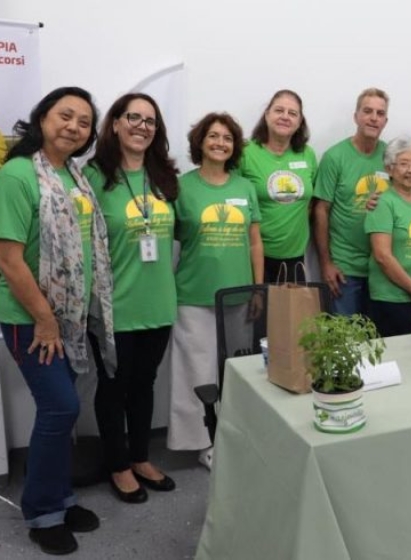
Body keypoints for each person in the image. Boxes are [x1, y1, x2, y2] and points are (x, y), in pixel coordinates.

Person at [0, 86, 112, 555]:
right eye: (65, 115)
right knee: (60, 408)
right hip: (31, 317)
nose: (74, 126)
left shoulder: (74, 175)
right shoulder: (18, 174)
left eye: (84, 122)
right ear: (43, 117)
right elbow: (8, 259)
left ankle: (61, 500)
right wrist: (44, 319)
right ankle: (42, 511)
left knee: (63, 411)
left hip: (68, 315)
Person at [85, 93, 179, 504]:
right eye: (134, 118)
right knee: (113, 387)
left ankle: (140, 457)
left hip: (157, 301)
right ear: (116, 124)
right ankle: (118, 465)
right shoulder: (92, 175)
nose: (142, 126)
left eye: (150, 121)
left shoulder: (163, 175)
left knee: (145, 384)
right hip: (111, 306)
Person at [167, 113, 263, 468]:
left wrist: (258, 289)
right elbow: (170, 237)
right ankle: (202, 442)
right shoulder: (180, 187)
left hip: (239, 296)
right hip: (193, 295)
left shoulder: (244, 188)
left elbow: (255, 243)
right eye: (213, 136)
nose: (220, 143)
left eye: (227, 138)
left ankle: (236, 434)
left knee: (237, 371)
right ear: (200, 142)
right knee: (197, 372)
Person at [313, 88, 389, 316]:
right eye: (367, 111)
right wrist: (326, 263)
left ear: (386, 120)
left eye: (380, 113)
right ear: (356, 116)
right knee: (347, 343)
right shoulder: (335, 157)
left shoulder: (390, 156)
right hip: (345, 269)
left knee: (380, 343)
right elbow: (321, 210)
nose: (374, 118)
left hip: (381, 268)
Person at [241, 90, 317, 283]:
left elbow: (310, 204)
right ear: (267, 115)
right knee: (257, 313)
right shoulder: (246, 153)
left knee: (293, 314)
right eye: (279, 110)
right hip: (253, 256)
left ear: (300, 122)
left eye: (292, 113)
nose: (285, 117)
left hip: (295, 258)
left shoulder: (307, 154)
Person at [365, 138, 411, 336]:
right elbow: (382, 256)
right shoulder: (382, 202)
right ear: (389, 169)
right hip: (392, 299)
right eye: (404, 164)